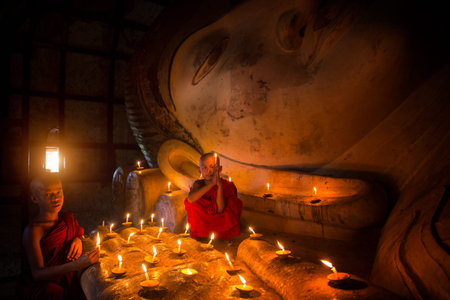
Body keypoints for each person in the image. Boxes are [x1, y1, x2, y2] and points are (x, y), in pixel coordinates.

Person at [22, 173, 99, 300]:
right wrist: (77, 265)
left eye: (58, 192)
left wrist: (77, 240)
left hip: (69, 282)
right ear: (35, 198)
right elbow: (37, 274)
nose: (55, 198)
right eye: (47, 194)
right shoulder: (33, 230)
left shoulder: (67, 219)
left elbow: (79, 235)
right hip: (47, 288)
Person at [184, 152, 242, 239]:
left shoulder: (226, 185)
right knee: (193, 204)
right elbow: (190, 199)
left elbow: (220, 209)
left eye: (212, 167)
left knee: (234, 202)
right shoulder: (198, 184)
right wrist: (211, 184)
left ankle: (220, 233)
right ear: (199, 170)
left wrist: (219, 186)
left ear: (220, 169)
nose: (209, 171)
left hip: (219, 220)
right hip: (203, 220)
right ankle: (202, 233)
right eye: (204, 168)